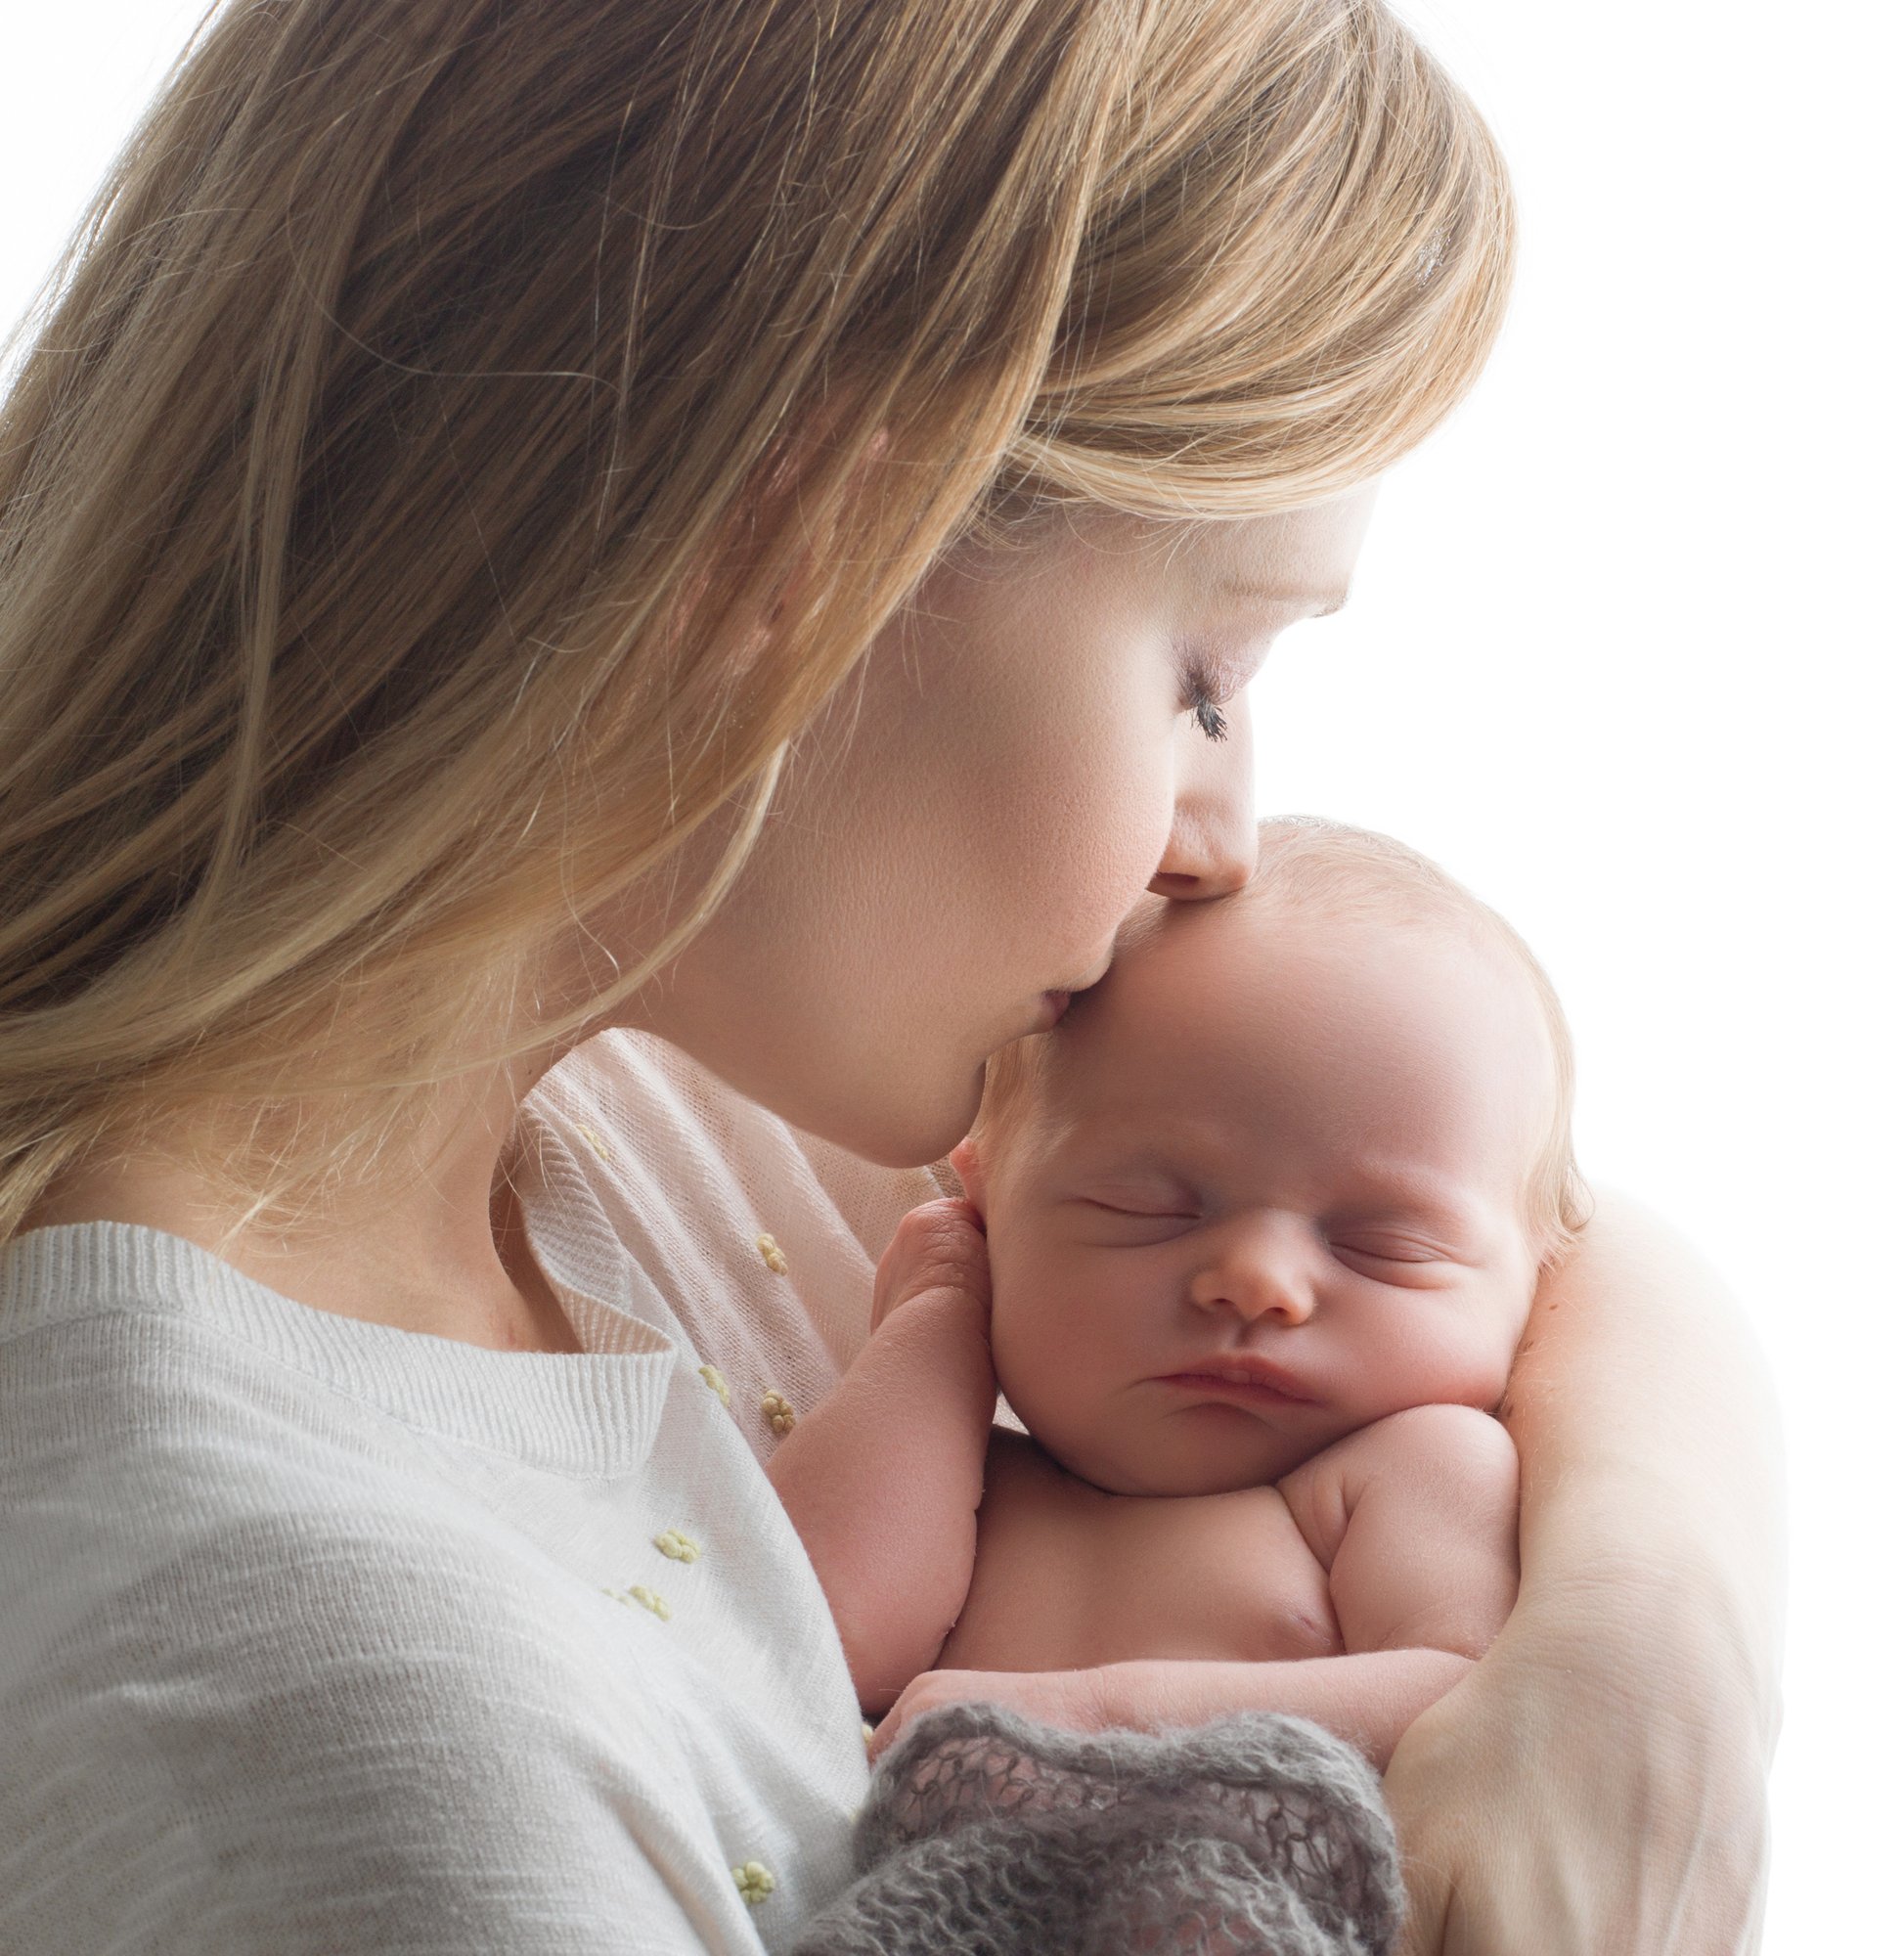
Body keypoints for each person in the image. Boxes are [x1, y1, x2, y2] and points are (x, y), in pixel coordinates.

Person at [0, 1, 1783, 1951]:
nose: (1225, 838)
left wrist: (1639, 1635)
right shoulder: (359, 1747)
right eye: (1206, 677)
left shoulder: (643, 1075)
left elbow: (1539, 1233)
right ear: (810, 537)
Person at [783, 818, 1583, 1776]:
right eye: (1145, 1206)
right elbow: (814, 1633)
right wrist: (939, 1313)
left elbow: (1466, 1699)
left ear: (1533, 1280)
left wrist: (1102, 1714)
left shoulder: (1412, 1469)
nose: (1257, 1282)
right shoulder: (969, 1476)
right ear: (988, 1198)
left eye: (1383, 1245)